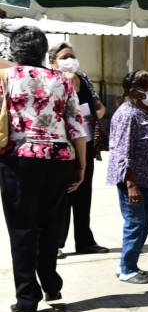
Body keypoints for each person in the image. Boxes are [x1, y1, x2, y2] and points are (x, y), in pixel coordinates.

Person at [0, 27, 87, 312]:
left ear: (14, 51)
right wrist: (81, 164)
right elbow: (76, 125)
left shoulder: (6, 78)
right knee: (51, 224)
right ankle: (51, 282)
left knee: (23, 228)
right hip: (59, 157)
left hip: (19, 159)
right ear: (42, 51)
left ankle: (27, 297)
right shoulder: (62, 81)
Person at [49, 41, 108, 257]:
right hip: (62, 147)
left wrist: (94, 114)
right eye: (64, 57)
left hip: (86, 143)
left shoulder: (83, 79)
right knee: (62, 197)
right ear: (53, 62)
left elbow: (100, 105)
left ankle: (85, 241)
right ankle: (55, 243)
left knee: (84, 196)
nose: (70, 60)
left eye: (72, 56)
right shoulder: (51, 81)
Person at [107, 71, 148, 284]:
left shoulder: (143, 111)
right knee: (135, 223)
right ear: (134, 91)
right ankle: (126, 269)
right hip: (133, 181)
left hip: (146, 180)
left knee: (144, 222)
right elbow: (121, 152)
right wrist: (131, 185)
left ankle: (129, 262)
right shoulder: (127, 115)